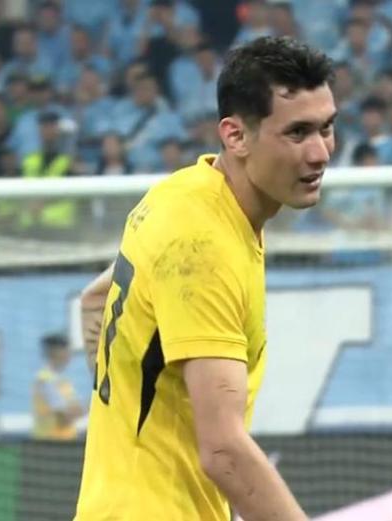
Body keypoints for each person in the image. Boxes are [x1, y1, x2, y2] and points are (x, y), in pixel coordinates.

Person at [75, 36, 336, 520]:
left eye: (327, 127)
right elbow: (223, 452)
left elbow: (94, 299)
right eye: (298, 133)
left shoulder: (181, 195)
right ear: (235, 136)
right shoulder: (204, 248)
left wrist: (123, 412)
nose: (320, 153)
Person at [32, 333, 84, 441]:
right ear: (55, 352)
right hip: (51, 444)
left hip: (63, 441)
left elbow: (75, 410)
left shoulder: (62, 381)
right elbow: (64, 418)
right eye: (66, 350)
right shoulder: (46, 380)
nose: (69, 354)